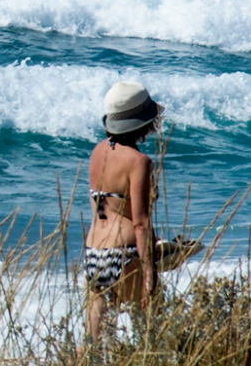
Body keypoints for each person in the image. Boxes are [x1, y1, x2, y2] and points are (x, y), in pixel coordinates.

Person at [84, 81, 163, 341]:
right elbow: (140, 222)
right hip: (125, 252)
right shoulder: (139, 161)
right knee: (153, 328)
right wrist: (150, 271)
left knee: (96, 343)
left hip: (94, 252)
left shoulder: (97, 151)